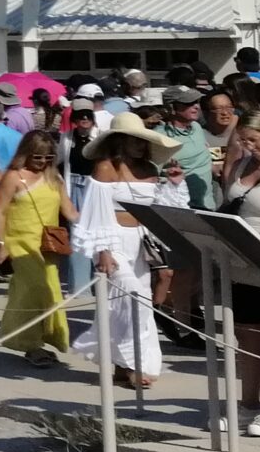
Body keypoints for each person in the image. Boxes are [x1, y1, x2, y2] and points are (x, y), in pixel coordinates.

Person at [73, 115, 181, 389]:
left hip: (141, 242)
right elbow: (96, 212)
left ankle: (122, 366)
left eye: (143, 141)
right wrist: (103, 251)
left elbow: (162, 210)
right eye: (135, 140)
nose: (140, 146)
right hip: (113, 240)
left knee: (127, 303)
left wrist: (175, 185)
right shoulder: (105, 168)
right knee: (134, 299)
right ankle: (137, 365)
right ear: (120, 140)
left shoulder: (149, 168)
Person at [215, 98, 260, 434]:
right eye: (244, 140)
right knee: (248, 336)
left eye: (255, 139)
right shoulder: (242, 165)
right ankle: (248, 403)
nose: (248, 146)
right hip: (240, 260)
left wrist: (246, 249)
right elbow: (229, 204)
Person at [0, 129, 76, 367]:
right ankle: (29, 344)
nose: (42, 162)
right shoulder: (13, 177)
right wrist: (0, 244)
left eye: (47, 157)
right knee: (33, 290)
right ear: (26, 154)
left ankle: (41, 340)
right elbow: (0, 212)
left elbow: (69, 211)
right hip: (20, 244)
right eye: (37, 157)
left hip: (49, 245)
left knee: (50, 293)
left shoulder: (55, 178)